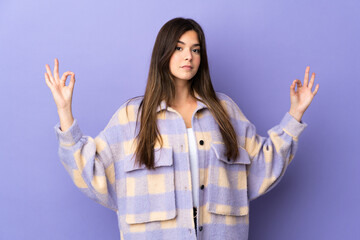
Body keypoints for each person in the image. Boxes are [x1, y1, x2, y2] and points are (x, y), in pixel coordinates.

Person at [44, 17, 319, 240]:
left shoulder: (225, 111)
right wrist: (65, 111)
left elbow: (262, 166)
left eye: (195, 49)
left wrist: (295, 114)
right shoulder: (132, 117)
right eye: (179, 47)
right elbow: (91, 171)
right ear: (163, 53)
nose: (188, 56)